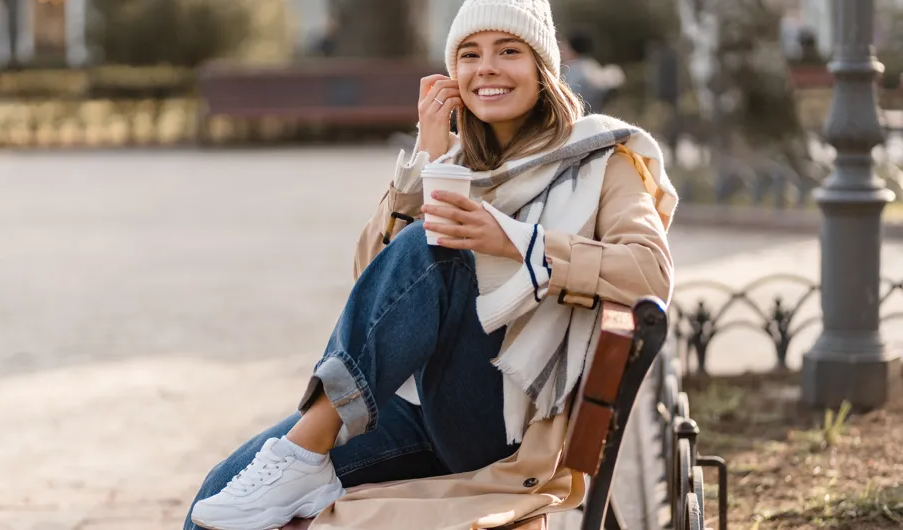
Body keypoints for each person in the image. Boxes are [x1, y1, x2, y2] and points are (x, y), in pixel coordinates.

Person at [185, 1, 676, 529]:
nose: (485, 67)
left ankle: (304, 451)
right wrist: (427, 156)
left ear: (543, 68)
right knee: (221, 496)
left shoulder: (603, 159)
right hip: (415, 408)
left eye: (508, 51)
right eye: (469, 54)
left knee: (433, 244)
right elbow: (374, 288)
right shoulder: (457, 165)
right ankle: (302, 455)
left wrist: (519, 243)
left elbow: (650, 272)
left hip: (501, 424)